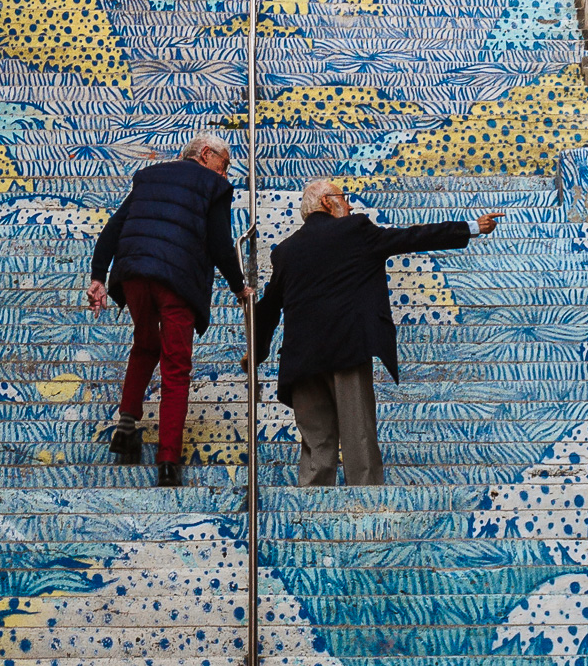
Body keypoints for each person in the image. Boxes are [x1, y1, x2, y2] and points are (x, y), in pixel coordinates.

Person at [251, 179, 502, 486]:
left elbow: (268, 306)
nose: (351, 204)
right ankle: (365, 507)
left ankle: (310, 511)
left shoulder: (286, 251)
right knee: (359, 437)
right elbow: (410, 238)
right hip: (346, 351)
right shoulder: (355, 230)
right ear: (328, 202)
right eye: (345, 198)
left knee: (317, 443)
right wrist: (471, 228)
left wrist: (256, 353)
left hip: (300, 361)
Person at [89, 133, 251, 487]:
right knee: (176, 366)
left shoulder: (149, 176)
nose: (224, 175)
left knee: (146, 343)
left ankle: (126, 425)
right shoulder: (214, 186)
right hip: (177, 279)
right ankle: (167, 461)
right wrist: (240, 286)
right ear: (206, 155)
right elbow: (222, 244)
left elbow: (114, 228)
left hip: (132, 273)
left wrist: (98, 277)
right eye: (223, 166)